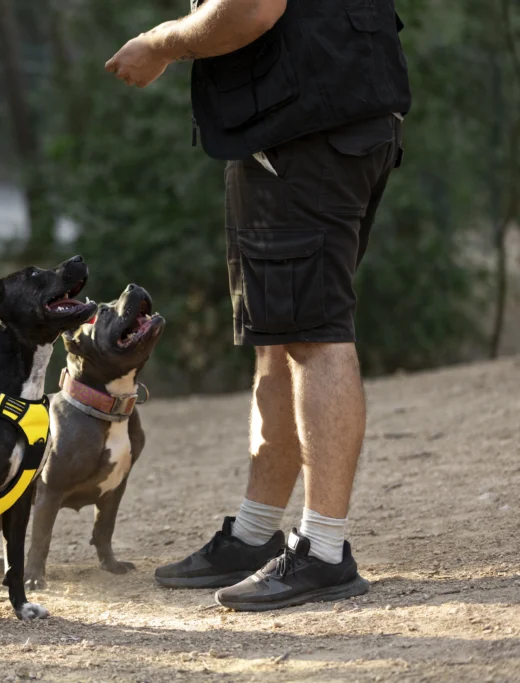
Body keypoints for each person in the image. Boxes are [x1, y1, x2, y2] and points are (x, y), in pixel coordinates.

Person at [105, 0, 411, 611]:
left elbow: (250, 9)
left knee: (314, 336)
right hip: (330, 122)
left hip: (302, 133)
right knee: (281, 336)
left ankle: (324, 551)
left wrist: (161, 42)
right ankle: (255, 533)